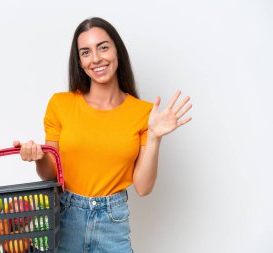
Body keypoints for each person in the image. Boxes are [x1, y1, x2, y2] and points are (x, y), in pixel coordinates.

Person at [13, 17, 192, 253]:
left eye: (103, 47)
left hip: (112, 223)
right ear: (79, 61)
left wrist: (154, 137)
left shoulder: (144, 113)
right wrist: (38, 156)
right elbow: (51, 175)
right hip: (66, 218)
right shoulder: (60, 104)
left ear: (118, 50)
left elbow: (143, 187)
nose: (96, 58)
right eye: (86, 52)